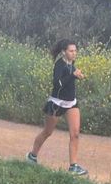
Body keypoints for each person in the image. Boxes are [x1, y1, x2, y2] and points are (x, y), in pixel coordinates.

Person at [26, 39, 88, 175]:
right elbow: (58, 84)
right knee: (48, 132)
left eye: (75, 51)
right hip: (56, 103)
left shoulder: (72, 63)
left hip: (71, 103)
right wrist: (73, 76)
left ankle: (73, 166)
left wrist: (77, 75)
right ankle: (32, 155)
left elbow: (70, 78)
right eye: (71, 51)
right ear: (63, 52)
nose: (74, 53)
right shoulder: (59, 65)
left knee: (75, 134)